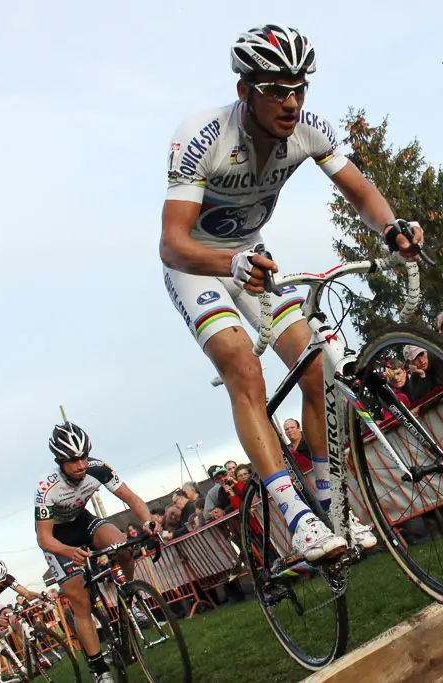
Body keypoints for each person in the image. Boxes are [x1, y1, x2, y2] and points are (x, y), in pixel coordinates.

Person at [158, 24, 420, 561]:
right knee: (244, 366)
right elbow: (172, 244)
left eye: (299, 88)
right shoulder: (202, 138)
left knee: (316, 365)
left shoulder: (308, 128)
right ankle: (295, 519)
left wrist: (392, 228)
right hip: (199, 264)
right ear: (244, 92)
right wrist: (228, 261)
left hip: (251, 256)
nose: (291, 102)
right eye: (276, 90)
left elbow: (362, 190)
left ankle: (332, 506)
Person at [35, 422, 158, 683]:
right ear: (59, 460)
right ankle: (99, 669)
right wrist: (69, 551)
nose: (80, 465)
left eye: (83, 457)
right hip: (58, 540)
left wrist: (147, 521)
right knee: (80, 601)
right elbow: (43, 538)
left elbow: (132, 499)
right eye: (72, 460)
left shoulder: (98, 468)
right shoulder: (47, 488)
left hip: (83, 522)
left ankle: (129, 601)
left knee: (123, 546)